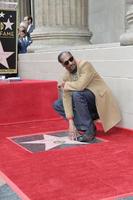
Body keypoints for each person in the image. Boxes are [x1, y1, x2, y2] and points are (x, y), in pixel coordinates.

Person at [53, 51, 121, 142]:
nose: (70, 63)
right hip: (83, 105)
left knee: (77, 94)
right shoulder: (66, 76)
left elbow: (80, 86)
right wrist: (70, 122)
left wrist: (66, 85)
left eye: (71, 59)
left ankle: (89, 131)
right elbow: (66, 98)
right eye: (66, 62)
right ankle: (87, 126)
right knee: (58, 104)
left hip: (98, 103)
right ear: (63, 65)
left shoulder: (85, 65)